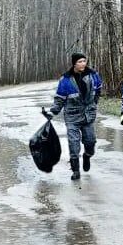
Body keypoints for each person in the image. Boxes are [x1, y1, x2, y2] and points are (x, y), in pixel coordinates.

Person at [46, 52, 103, 181]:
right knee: (73, 144)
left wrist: (94, 103)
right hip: (72, 117)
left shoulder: (93, 75)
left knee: (90, 141)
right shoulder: (65, 79)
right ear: (74, 64)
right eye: (80, 62)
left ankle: (87, 155)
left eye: (84, 61)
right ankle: (75, 170)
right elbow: (59, 98)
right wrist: (53, 112)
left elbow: (98, 89)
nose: (83, 64)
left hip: (88, 115)